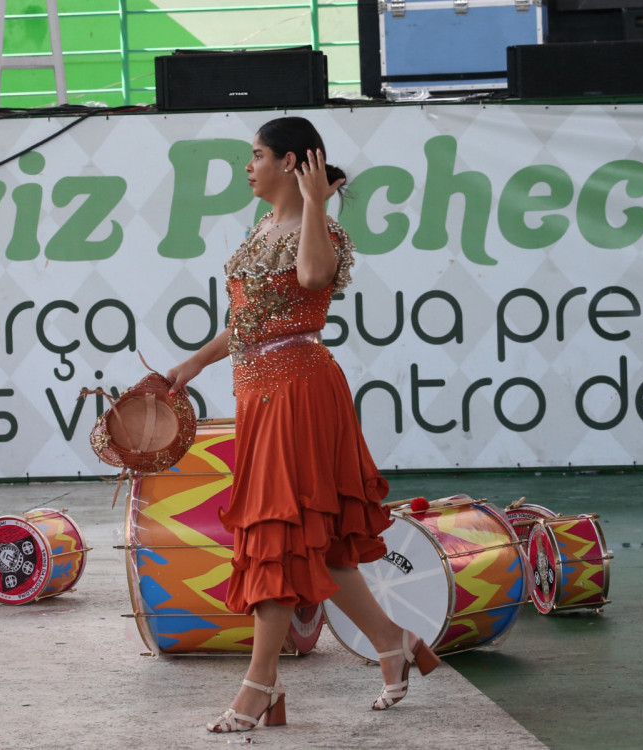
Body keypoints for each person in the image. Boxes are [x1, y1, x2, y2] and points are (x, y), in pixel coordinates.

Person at [165, 116, 440, 734]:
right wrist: (190, 364)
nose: (247, 166)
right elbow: (245, 322)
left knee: (278, 539)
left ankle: (260, 685)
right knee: (323, 547)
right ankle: (395, 646)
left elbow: (314, 280)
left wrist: (317, 203)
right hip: (258, 393)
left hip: (300, 390)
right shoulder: (261, 229)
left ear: (291, 163)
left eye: (257, 155)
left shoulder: (325, 232)